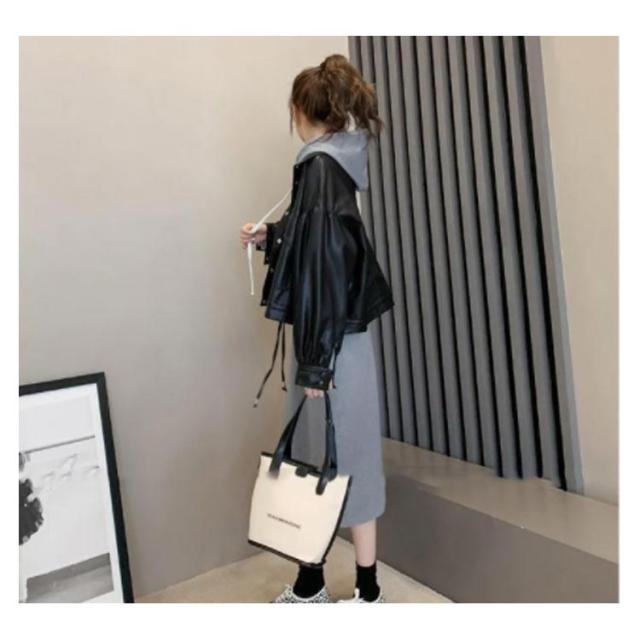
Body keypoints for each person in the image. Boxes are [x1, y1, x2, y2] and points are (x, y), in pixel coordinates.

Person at [240, 53, 394, 603]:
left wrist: (314, 362)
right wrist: (273, 237)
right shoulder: (337, 161)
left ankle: (339, 590)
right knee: (343, 459)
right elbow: (319, 242)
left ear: (303, 111)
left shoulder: (321, 167)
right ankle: (347, 589)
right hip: (340, 339)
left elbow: (326, 268)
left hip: (328, 343)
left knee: (328, 461)